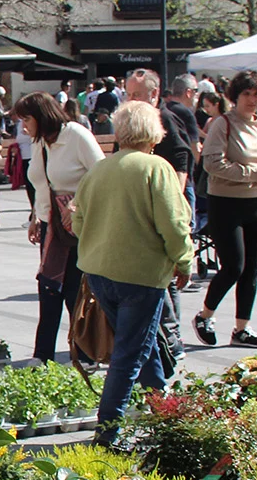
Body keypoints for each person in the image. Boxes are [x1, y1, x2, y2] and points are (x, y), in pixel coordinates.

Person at [71, 101, 192, 446]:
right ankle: (107, 433)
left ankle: (164, 411)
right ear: (154, 133)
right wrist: (184, 262)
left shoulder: (100, 169)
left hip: (99, 272)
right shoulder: (157, 168)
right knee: (129, 355)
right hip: (140, 275)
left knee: (142, 344)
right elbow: (174, 224)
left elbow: (77, 221)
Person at [194, 69, 257, 349]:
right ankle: (205, 316)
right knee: (233, 266)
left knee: (252, 268)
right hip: (226, 201)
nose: (252, 100)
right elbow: (212, 163)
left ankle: (242, 328)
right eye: (247, 94)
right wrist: (252, 172)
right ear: (235, 96)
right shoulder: (223, 124)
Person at [16, 91, 104, 363]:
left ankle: (86, 350)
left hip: (77, 225)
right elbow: (42, 182)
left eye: (26, 119)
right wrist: (35, 216)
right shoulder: (41, 142)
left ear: (41, 116)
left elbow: (102, 173)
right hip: (51, 225)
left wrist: (77, 203)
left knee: (74, 291)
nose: (23, 126)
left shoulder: (75, 135)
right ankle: (43, 354)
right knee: (49, 286)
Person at [192, 90, 227, 234]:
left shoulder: (223, 121)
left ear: (216, 105)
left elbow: (211, 139)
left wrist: (203, 135)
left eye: (208, 106)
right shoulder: (210, 120)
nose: (206, 109)